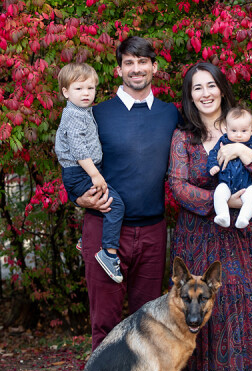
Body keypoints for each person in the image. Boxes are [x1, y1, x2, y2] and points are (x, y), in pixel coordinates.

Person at [168, 62, 252, 371]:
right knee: (200, 309)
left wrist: (246, 152)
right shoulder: (184, 137)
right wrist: (223, 203)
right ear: (190, 96)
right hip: (197, 237)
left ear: (221, 88)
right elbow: (178, 186)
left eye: (211, 85)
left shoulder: (244, 127)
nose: (205, 93)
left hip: (239, 239)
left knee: (237, 306)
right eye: (197, 88)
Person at [71, 36, 181, 350]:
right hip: (105, 228)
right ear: (119, 69)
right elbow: (71, 157)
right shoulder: (97, 114)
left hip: (152, 230)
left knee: (147, 323)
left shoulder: (170, 114)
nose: (136, 69)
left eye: (142, 62)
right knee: (104, 323)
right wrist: (77, 196)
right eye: (129, 63)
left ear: (154, 67)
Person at [55, 63, 124, 283]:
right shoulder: (73, 116)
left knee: (100, 204)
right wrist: (94, 174)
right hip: (80, 172)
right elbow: (77, 149)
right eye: (79, 88)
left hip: (84, 171)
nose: (86, 93)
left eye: (90, 88)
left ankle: (86, 239)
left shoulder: (82, 111)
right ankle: (109, 253)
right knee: (116, 205)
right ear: (65, 92)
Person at [207, 106, 252, 229]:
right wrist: (213, 165)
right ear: (226, 130)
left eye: (244, 131)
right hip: (226, 183)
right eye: (234, 131)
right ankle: (223, 216)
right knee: (219, 193)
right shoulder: (224, 141)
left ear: (251, 130)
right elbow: (213, 154)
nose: (238, 135)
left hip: (246, 185)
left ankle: (243, 218)